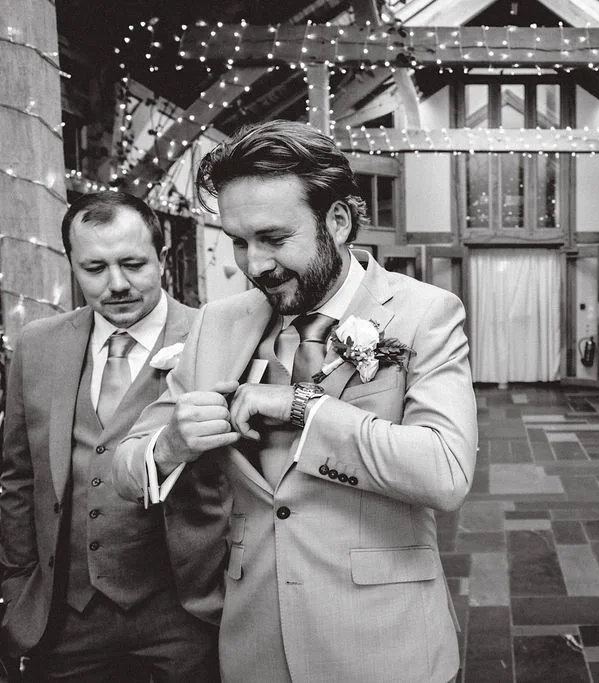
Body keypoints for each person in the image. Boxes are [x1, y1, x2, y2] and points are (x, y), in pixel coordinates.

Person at [111, 120, 476, 683]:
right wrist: (171, 446)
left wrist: (303, 408)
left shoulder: (426, 313)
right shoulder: (217, 324)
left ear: (337, 221)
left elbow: (445, 472)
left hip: (385, 643)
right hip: (255, 642)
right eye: (238, 241)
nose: (253, 265)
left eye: (274, 239)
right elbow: (126, 468)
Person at [0, 192, 223, 681]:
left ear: (162, 259)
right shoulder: (37, 345)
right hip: (62, 619)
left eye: (133, 264)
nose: (117, 284)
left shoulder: (219, 338)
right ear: (73, 266)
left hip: (186, 617)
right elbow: (19, 477)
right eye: (95, 268)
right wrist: (19, 587)